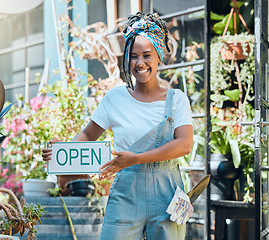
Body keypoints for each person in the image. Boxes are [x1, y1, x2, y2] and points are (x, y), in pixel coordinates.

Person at [42, 11, 194, 240]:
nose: (139, 63)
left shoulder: (177, 99)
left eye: (146, 55)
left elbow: (184, 145)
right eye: (133, 56)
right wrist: (62, 152)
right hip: (126, 192)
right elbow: (88, 134)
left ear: (159, 57)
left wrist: (136, 159)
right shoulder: (114, 99)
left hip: (167, 193)